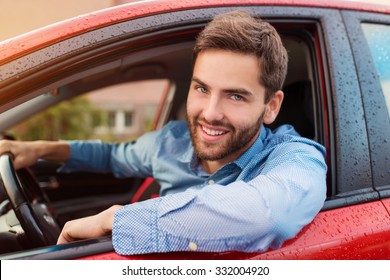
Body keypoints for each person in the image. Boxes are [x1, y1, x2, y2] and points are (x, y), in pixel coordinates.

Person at [0, 10, 327, 255]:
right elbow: (112, 155)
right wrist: (38, 148)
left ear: (271, 106)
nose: (210, 113)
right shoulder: (171, 142)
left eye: (236, 95)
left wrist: (116, 220)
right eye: (202, 88)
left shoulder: (296, 158)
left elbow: (265, 215)